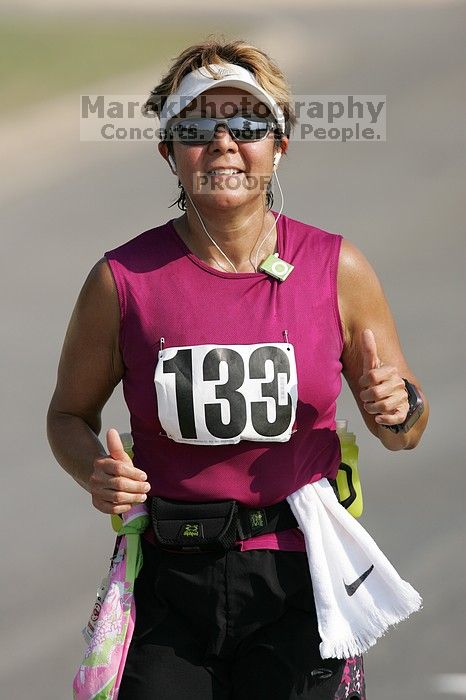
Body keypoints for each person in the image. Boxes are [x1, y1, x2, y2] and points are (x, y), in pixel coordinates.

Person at [47, 39, 429, 700]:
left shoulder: (337, 267)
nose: (223, 143)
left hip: (299, 583)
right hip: (172, 586)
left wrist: (401, 407)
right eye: (196, 127)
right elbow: (68, 415)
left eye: (247, 125)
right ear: (169, 151)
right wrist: (95, 472)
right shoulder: (121, 281)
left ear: (280, 144)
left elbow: (403, 429)